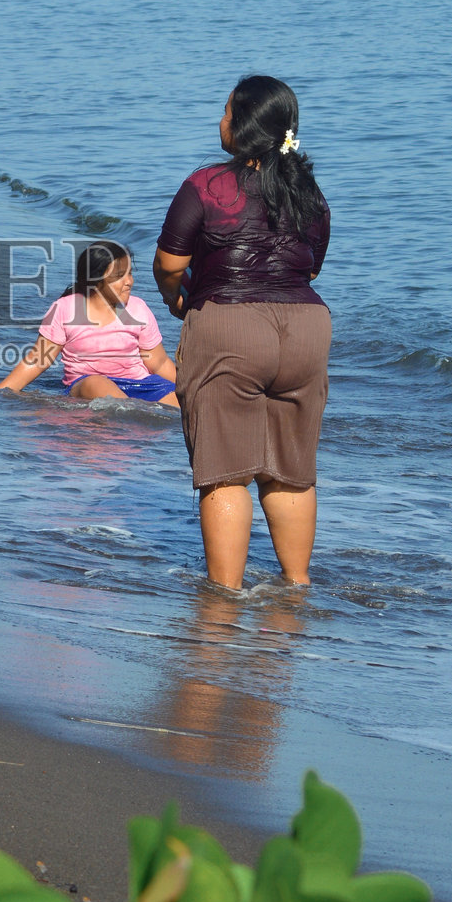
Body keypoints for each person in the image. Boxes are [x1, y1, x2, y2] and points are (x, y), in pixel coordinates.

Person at [154, 76, 331, 591]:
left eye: (226, 110)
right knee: (291, 471)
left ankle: (224, 603)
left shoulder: (207, 184)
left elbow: (170, 262)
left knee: (225, 471)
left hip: (229, 322)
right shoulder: (310, 193)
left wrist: (176, 299)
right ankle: (296, 591)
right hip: (306, 327)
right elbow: (313, 267)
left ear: (246, 124)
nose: (219, 119)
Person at [0, 242, 179, 406]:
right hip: (87, 384)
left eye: (130, 273)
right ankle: (130, 414)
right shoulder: (65, 309)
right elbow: (38, 359)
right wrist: (2, 392)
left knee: (184, 404)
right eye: (119, 276)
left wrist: (190, 391)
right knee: (98, 384)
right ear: (95, 280)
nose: (129, 282)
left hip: (141, 384)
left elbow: (159, 362)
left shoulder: (137, 308)